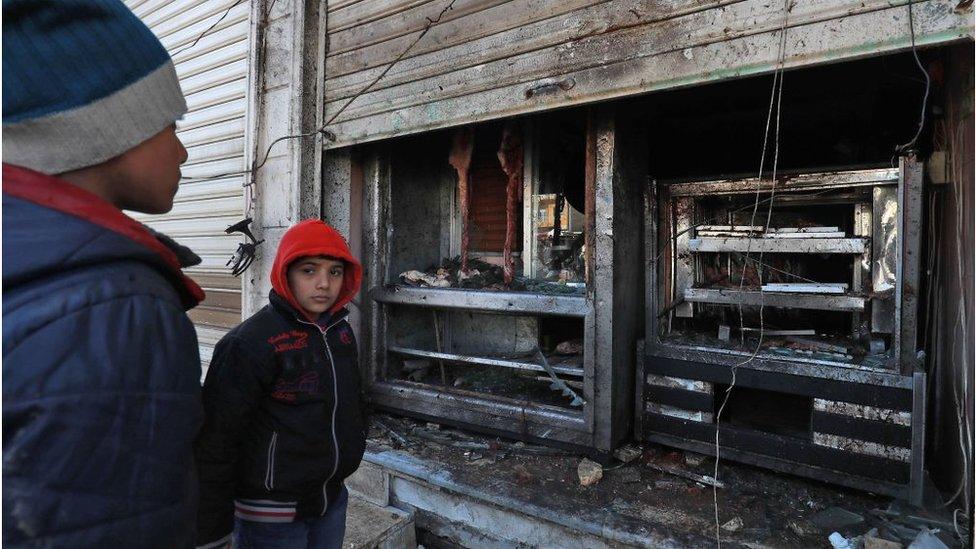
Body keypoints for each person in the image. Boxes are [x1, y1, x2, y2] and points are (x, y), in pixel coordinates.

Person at [2, 0, 204, 547]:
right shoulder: (113, 302)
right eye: (171, 123)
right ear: (108, 130)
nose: (183, 151)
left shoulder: (29, 266)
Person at [195, 220, 366, 549]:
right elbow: (216, 443)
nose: (323, 283)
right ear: (285, 272)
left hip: (330, 500)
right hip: (270, 514)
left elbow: (352, 401)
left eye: (334, 272)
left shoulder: (340, 332)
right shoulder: (249, 343)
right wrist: (211, 532)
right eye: (309, 270)